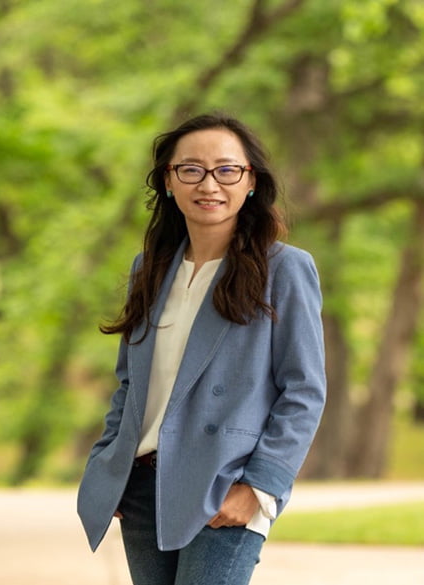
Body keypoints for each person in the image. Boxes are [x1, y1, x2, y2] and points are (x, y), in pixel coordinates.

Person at [77, 113, 326, 585]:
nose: (209, 183)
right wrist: (109, 466)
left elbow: (303, 390)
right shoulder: (148, 269)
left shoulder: (285, 269)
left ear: (250, 181)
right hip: (142, 488)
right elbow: (130, 383)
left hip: (223, 486)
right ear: (169, 183)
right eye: (190, 169)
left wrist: (258, 487)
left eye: (226, 169)